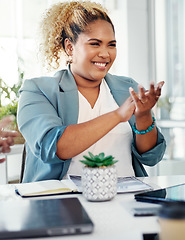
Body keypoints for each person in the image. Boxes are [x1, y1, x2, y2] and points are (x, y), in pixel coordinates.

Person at [17, 1, 166, 183]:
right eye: (95, 44)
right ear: (70, 47)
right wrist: (118, 115)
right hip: (62, 205)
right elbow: (54, 148)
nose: (105, 54)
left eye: (111, 45)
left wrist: (143, 116)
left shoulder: (127, 89)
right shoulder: (38, 91)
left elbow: (151, 157)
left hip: (126, 202)